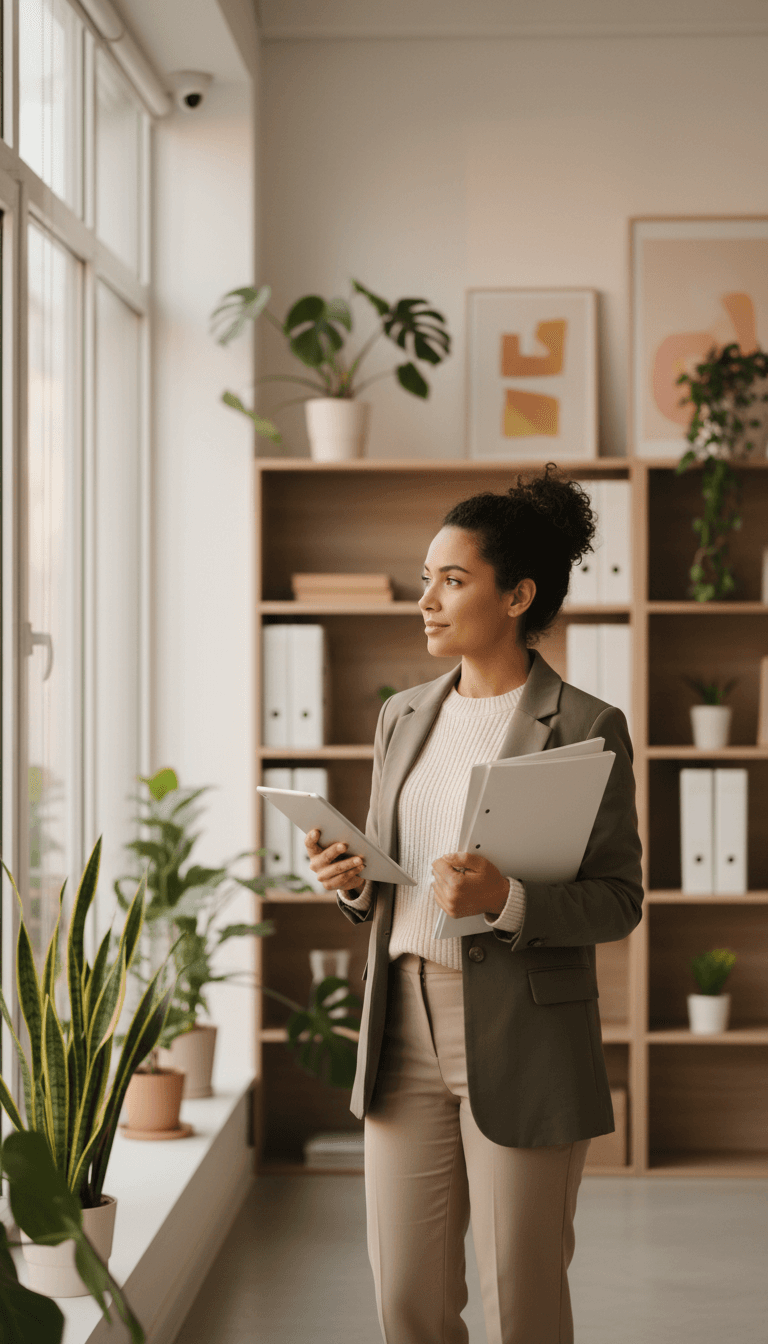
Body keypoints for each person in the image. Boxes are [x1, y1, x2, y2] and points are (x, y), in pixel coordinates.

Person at [304, 464, 643, 1344]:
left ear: (518, 595)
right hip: (401, 1021)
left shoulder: (585, 725)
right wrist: (354, 882)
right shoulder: (402, 715)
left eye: (451, 581)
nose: (426, 600)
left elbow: (619, 899)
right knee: (406, 1298)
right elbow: (394, 876)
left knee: (522, 1297)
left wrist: (510, 900)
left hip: (523, 1030)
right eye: (426, 579)